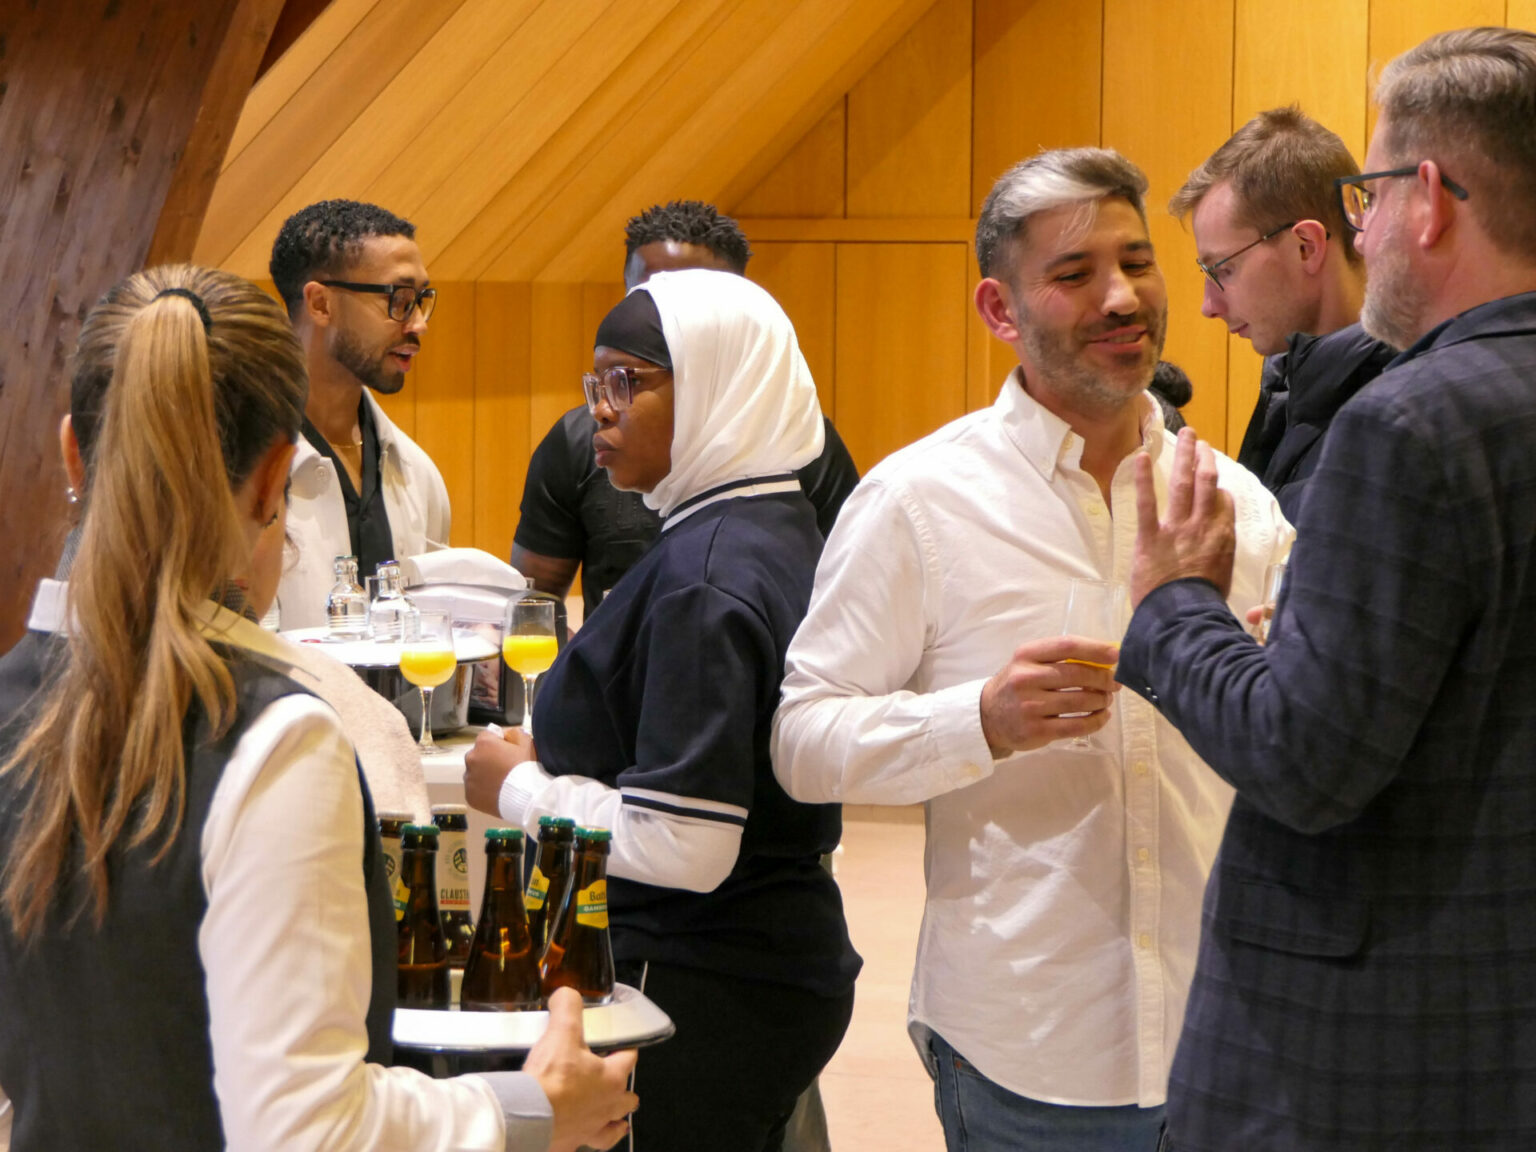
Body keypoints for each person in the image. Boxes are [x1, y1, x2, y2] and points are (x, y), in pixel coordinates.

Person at [0, 265, 636, 1151]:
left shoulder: (12, 699)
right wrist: (528, 1108)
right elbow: (306, 1131)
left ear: (73, 454)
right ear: (274, 481)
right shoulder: (278, 739)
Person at [771, 148, 1291, 1151]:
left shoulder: (1233, 502)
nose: (1122, 297)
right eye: (1074, 273)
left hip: (1227, 1039)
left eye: (1137, 262)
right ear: (998, 308)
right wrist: (980, 722)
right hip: (1029, 1049)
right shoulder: (918, 502)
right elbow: (803, 740)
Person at [1118, 26, 1536, 1149]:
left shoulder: (1407, 424)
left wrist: (1176, 603)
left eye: (1372, 195)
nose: (1363, 228)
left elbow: (1305, 761)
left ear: (1429, 199)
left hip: (1365, 1057)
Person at [466, 269, 862, 1151]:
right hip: (761, 960)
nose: (599, 412)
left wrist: (522, 788)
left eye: (628, 381)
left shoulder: (705, 578)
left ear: (720, 384)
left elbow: (687, 844)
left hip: (694, 975)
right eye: (595, 383)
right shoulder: (770, 524)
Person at [511, 200, 860, 621]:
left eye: (693, 304)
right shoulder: (581, 439)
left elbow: (850, 592)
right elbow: (532, 604)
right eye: (650, 297)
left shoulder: (802, 443)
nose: (671, 317)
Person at [1170, 106, 1395, 517]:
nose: (1208, 306)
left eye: (1223, 270)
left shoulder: (1396, 419)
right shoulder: (1289, 387)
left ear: (1305, 247)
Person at [268, 199, 451, 628]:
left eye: (421, 299)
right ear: (320, 304)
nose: (419, 324)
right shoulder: (237, 472)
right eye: (399, 299)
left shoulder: (419, 475)